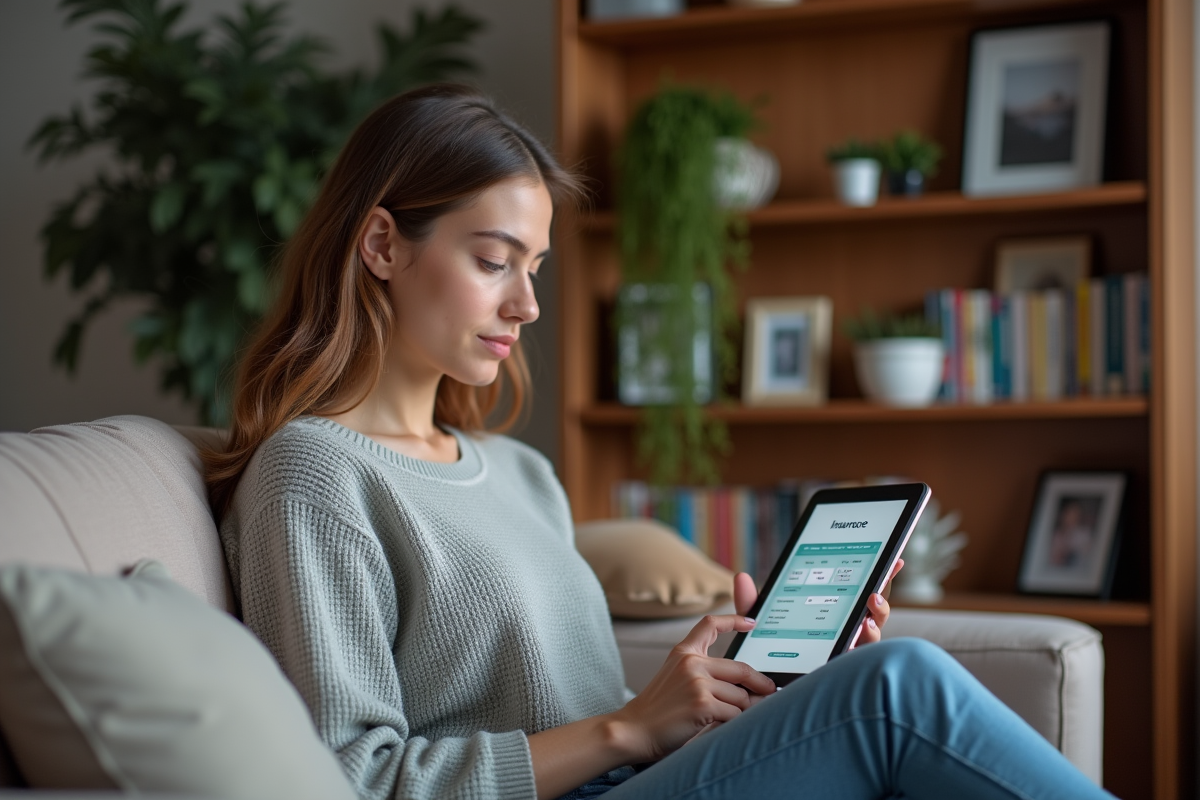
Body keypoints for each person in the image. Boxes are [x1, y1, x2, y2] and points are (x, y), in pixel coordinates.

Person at [204, 84, 1112, 800]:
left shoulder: (521, 474)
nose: (525, 305)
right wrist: (631, 729)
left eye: (535, 269)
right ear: (380, 245)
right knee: (895, 688)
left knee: (869, 676)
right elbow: (350, 780)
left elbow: (597, 721)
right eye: (492, 261)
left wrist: (721, 694)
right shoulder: (314, 476)